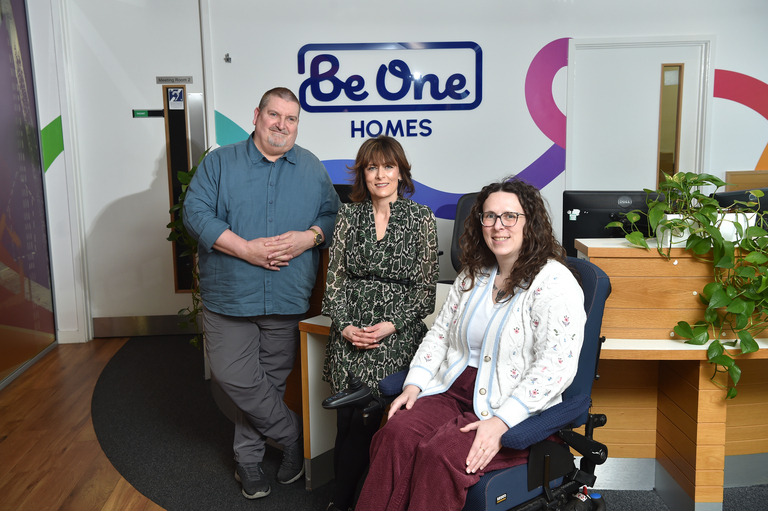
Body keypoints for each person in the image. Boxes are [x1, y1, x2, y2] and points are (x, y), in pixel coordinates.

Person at [354, 178, 586, 511]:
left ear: (529, 223)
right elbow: (440, 333)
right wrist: (415, 383)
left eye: (510, 216)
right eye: (489, 216)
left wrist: (503, 421)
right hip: (455, 387)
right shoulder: (473, 274)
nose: (498, 226)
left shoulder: (553, 282)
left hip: (513, 401)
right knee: (395, 435)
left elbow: (555, 366)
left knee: (440, 455)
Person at [182, 87, 339, 500]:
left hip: (287, 297)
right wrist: (245, 249)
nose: (282, 125)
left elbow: (332, 215)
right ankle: (294, 437)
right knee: (234, 376)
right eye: (274, 114)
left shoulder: (310, 167)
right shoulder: (220, 163)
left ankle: (247, 461)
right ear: (257, 115)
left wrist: (310, 237)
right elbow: (194, 213)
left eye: (291, 119)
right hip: (230, 296)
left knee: (268, 382)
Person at [321, 136, 439, 511]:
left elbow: (424, 292)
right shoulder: (349, 215)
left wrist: (390, 325)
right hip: (350, 333)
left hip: (397, 336)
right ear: (363, 174)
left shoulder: (420, 218)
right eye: (372, 167)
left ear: (401, 171)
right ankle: (344, 499)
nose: (380, 174)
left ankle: (360, 502)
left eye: (388, 166)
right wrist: (343, 325)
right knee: (346, 423)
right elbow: (334, 279)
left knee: (372, 423)